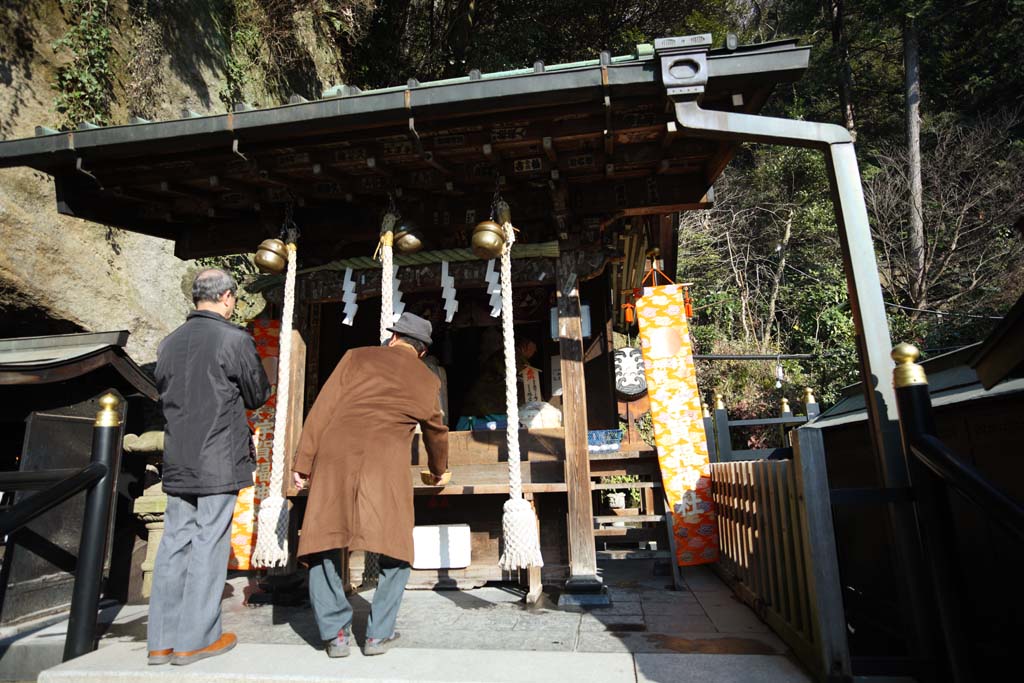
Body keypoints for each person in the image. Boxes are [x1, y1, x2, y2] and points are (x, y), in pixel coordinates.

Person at [292, 312, 448, 658]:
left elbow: (322, 409)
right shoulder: (427, 380)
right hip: (385, 468)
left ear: (392, 337)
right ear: (421, 351)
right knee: (396, 549)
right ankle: (378, 634)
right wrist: (438, 470)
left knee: (325, 540)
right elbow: (437, 432)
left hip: (334, 460)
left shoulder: (356, 356)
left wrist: (303, 462)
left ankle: (335, 634)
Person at [147, 268, 271, 666]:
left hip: (178, 456)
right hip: (218, 456)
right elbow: (256, 394)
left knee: (174, 543)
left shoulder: (168, 344)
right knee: (208, 543)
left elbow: (160, 394)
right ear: (228, 298)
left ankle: (160, 641)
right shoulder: (233, 339)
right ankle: (195, 639)